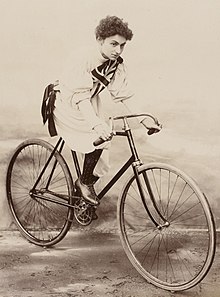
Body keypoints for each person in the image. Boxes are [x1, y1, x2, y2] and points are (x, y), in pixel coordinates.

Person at [51, 16, 161, 206]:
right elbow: (79, 97)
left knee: (103, 153)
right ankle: (84, 182)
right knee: (98, 132)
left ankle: (84, 190)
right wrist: (95, 124)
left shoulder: (115, 65)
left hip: (87, 102)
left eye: (122, 45)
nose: (118, 50)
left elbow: (125, 94)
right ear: (100, 40)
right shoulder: (82, 58)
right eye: (113, 44)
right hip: (66, 103)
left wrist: (144, 120)